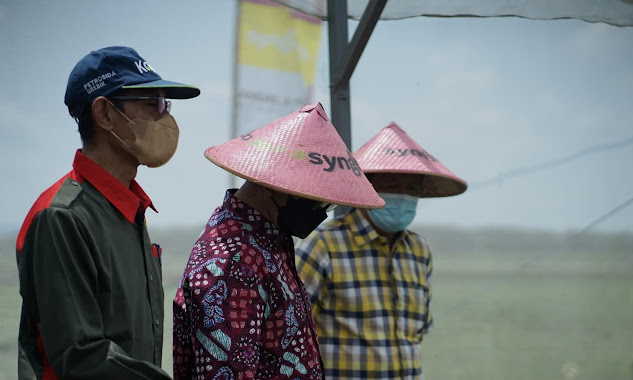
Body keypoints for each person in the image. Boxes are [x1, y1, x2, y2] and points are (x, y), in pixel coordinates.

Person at [15, 46, 200, 380]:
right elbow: (81, 354)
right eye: (152, 105)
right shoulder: (63, 218)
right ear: (105, 115)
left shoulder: (130, 211)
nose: (165, 118)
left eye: (165, 105)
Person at [172, 103, 384, 380]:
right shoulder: (234, 260)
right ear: (277, 189)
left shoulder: (267, 244)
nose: (319, 213)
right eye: (316, 200)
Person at [295, 122, 468, 379]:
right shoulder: (323, 245)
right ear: (369, 186)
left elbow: (415, 333)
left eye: (411, 189)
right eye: (392, 185)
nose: (402, 196)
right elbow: (293, 333)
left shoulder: (419, 251)